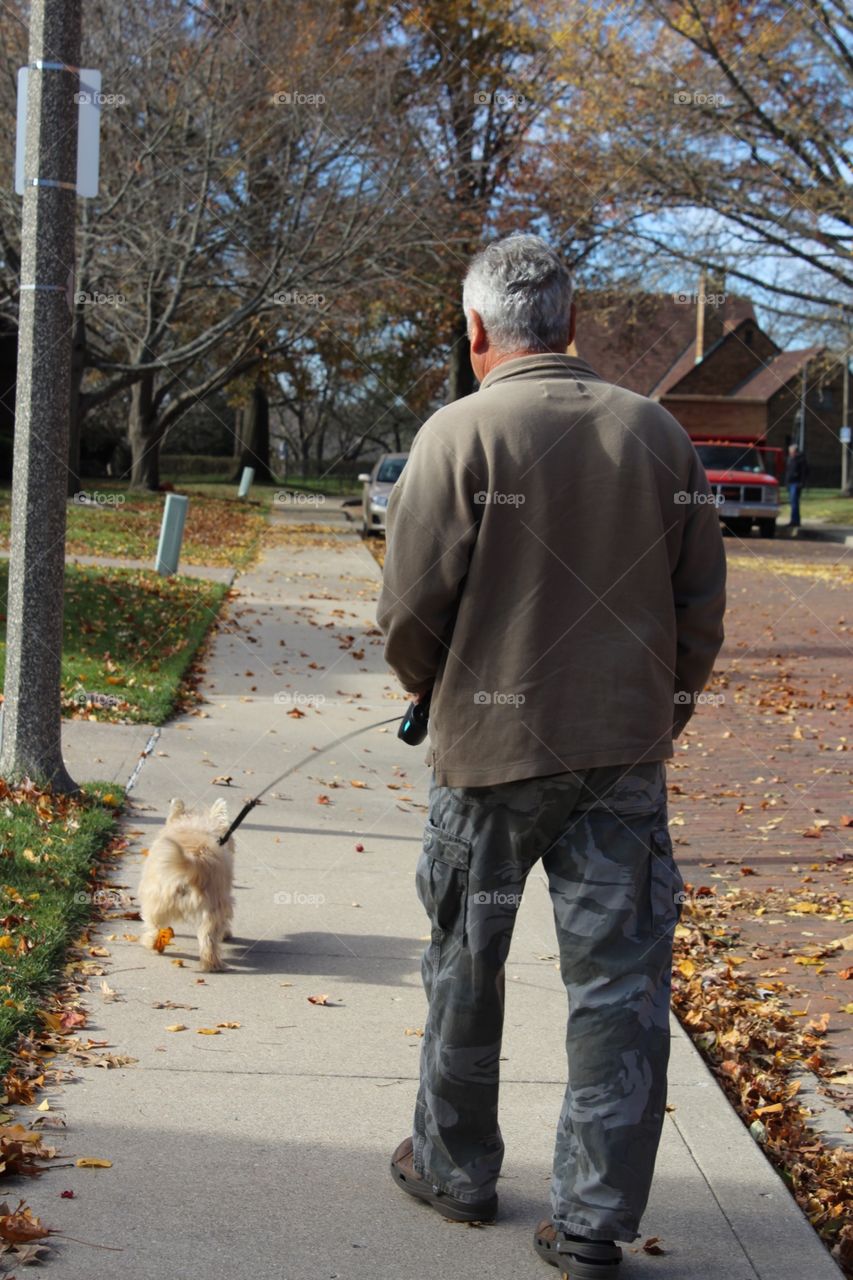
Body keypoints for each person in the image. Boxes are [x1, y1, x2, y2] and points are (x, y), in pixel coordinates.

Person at [377, 233, 726, 1278]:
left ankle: (453, 1165)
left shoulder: (457, 434)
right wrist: (660, 709)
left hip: (485, 758)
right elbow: (699, 607)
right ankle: (591, 1220)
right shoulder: (660, 436)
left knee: (463, 964)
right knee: (619, 986)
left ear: (476, 331)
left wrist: (426, 687)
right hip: (618, 760)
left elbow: (407, 611)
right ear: (571, 325)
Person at [785, 442, 808, 530]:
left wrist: (801, 483)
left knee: (794, 503)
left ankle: (795, 521)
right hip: (790, 483)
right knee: (792, 503)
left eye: (791, 451)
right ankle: (794, 520)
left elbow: (804, 472)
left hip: (796, 483)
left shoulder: (800, 459)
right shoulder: (790, 459)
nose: (790, 452)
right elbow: (788, 472)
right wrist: (786, 483)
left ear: (795, 451)